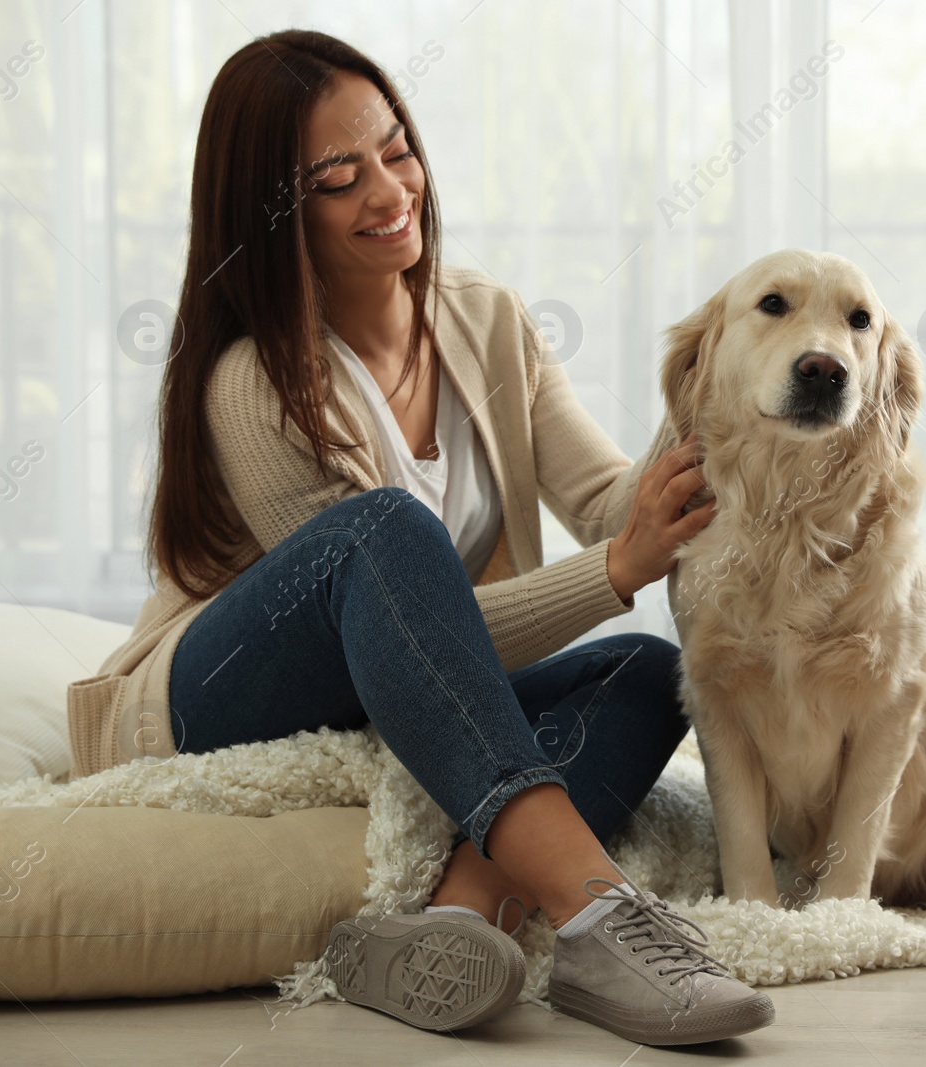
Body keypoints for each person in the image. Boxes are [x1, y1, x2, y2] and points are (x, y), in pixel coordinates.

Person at [67, 28, 773, 1046]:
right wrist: (617, 570)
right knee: (388, 533)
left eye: (396, 151)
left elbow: (608, 501)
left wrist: (708, 383)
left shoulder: (484, 318)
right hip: (220, 690)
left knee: (649, 668)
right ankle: (601, 913)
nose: (391, 192)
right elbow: (392, 631)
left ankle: (452, 920)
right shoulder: (251, 384)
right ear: (271, 212)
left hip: (398, 690)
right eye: (337, 178)